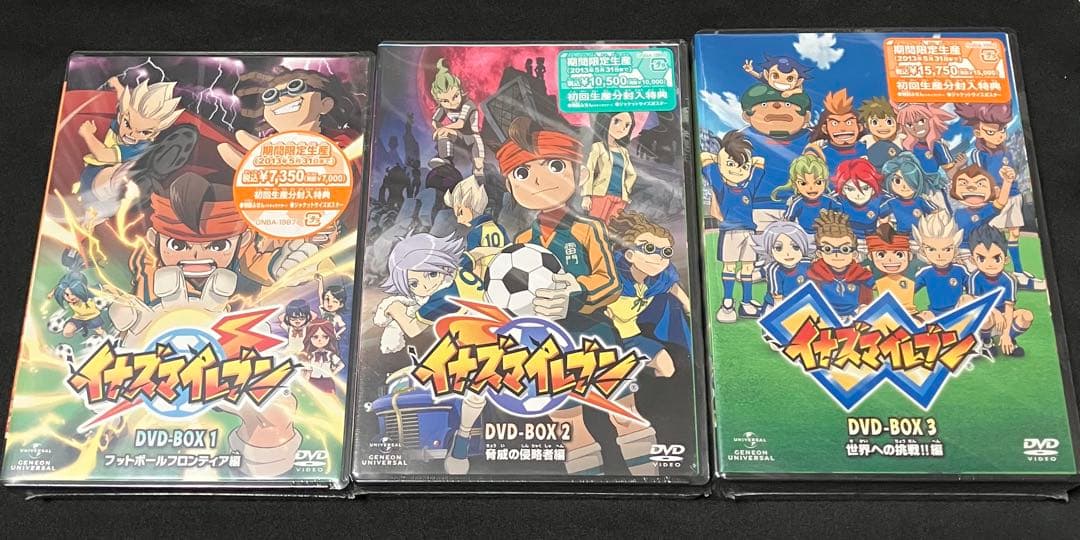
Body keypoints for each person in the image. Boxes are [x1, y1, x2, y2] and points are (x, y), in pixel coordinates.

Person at [581, 112, 638, 223]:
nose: (622, 128)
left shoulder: (624, 151)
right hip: (601, 195)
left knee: (612, 228)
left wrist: (626, 189)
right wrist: (587, 195)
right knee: (595, 226)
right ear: (606, 121)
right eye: (617, 121)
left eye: (627, 125)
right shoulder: (598, 147)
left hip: (620, 198)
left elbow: (632, 174)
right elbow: (589, 170)